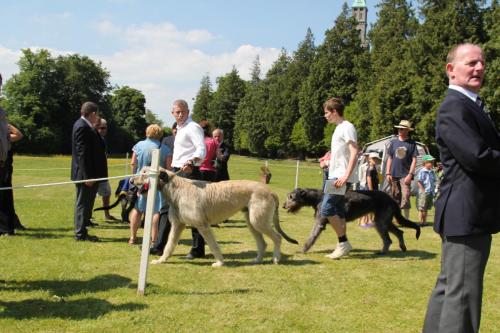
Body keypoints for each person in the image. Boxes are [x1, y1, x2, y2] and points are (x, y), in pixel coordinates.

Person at [423, 43, 500, 333]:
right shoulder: (455, 106)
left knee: (450, 289)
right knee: (463, 296)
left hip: (466, 214)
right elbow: (477, 157)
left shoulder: (470, 105)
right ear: (451, 70)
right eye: (471, 63)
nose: (479, 68)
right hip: (467, 215)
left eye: (481, 62)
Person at [320, 97, 360, 259]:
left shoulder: (347, 127)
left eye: (327, 113)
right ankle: (341, 244)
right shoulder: (338, 128)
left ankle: (343, 243)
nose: (325, 116)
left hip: (340, 177)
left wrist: (345, 176)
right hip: (335, 175)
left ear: (335, 112)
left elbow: (354, 152)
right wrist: (328, 162)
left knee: (327, 208)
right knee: (337, 210)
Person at [170, 99, 206, 259]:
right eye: (177, 112)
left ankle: (197, 250)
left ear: (188, 111)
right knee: (171, 210)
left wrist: (191, 162)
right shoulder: (179, 129)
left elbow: (201, 149)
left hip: (189, 172)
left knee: (194, 213)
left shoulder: (193, 127)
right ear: (172, 114)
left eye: (182, 111)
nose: (180, 115)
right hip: (177, 171)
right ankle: (160, 246)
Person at [128, 124, 172, 245]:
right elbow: (169, 169)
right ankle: (154, 239)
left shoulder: (138, 145)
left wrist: (134, 177)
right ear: (160, 134)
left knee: (137, 209)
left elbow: (133, 163)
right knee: (156, 211)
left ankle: (132, 237)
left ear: (147, 132)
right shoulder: (166, 149)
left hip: (141, 181)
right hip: (157, 183)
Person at [71, 102, 108, 242]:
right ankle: (80, 234)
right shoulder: (81, 126)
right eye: (96, 114)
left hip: (91, 173)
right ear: (92, 113)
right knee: (83, 203)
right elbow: (82, 153)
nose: (97, 117)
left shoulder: (87, 126)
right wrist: (88, 176)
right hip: (85, 175)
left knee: (87, 203)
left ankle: (83, 230)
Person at [0, 72, 24, 236]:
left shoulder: (1, 111)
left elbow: (17, 135)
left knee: (4, 196)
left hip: (4, 161)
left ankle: (8, 228)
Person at [385, 119, 418, 219]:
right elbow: (390, 158)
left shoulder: (412, 143)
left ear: (407, 130)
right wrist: (387, 173)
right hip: (393, 175)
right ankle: (396, 219)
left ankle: (406, 220)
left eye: (402, 129)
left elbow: (414, 160)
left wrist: (410, 174)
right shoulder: (393, 143)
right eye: (399, 128)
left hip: (406, 175)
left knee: (406, 196)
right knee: (395, 197)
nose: (400, 130)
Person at [94, 117, 117, 221]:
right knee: (90, 197)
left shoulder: (103, 139)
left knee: (107, 193)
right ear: (96, 128)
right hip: (95, 174)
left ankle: (107, 214)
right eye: (102, 128)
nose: (104, 130)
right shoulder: (94, 139)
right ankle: (88, 217)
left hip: (103, 173)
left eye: (105, 128)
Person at [417, 154, 436, 227]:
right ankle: (420, 222)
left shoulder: (432, 171)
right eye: (430, 162)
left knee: (427, 207)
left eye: (432, 162)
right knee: (421, 207)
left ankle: (424, 221)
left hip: (430, 192)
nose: (432, 163)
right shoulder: (422, 171)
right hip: (424, 192)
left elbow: (434, 180)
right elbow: (419, 181)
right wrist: (423, 190)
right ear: (425, 162)